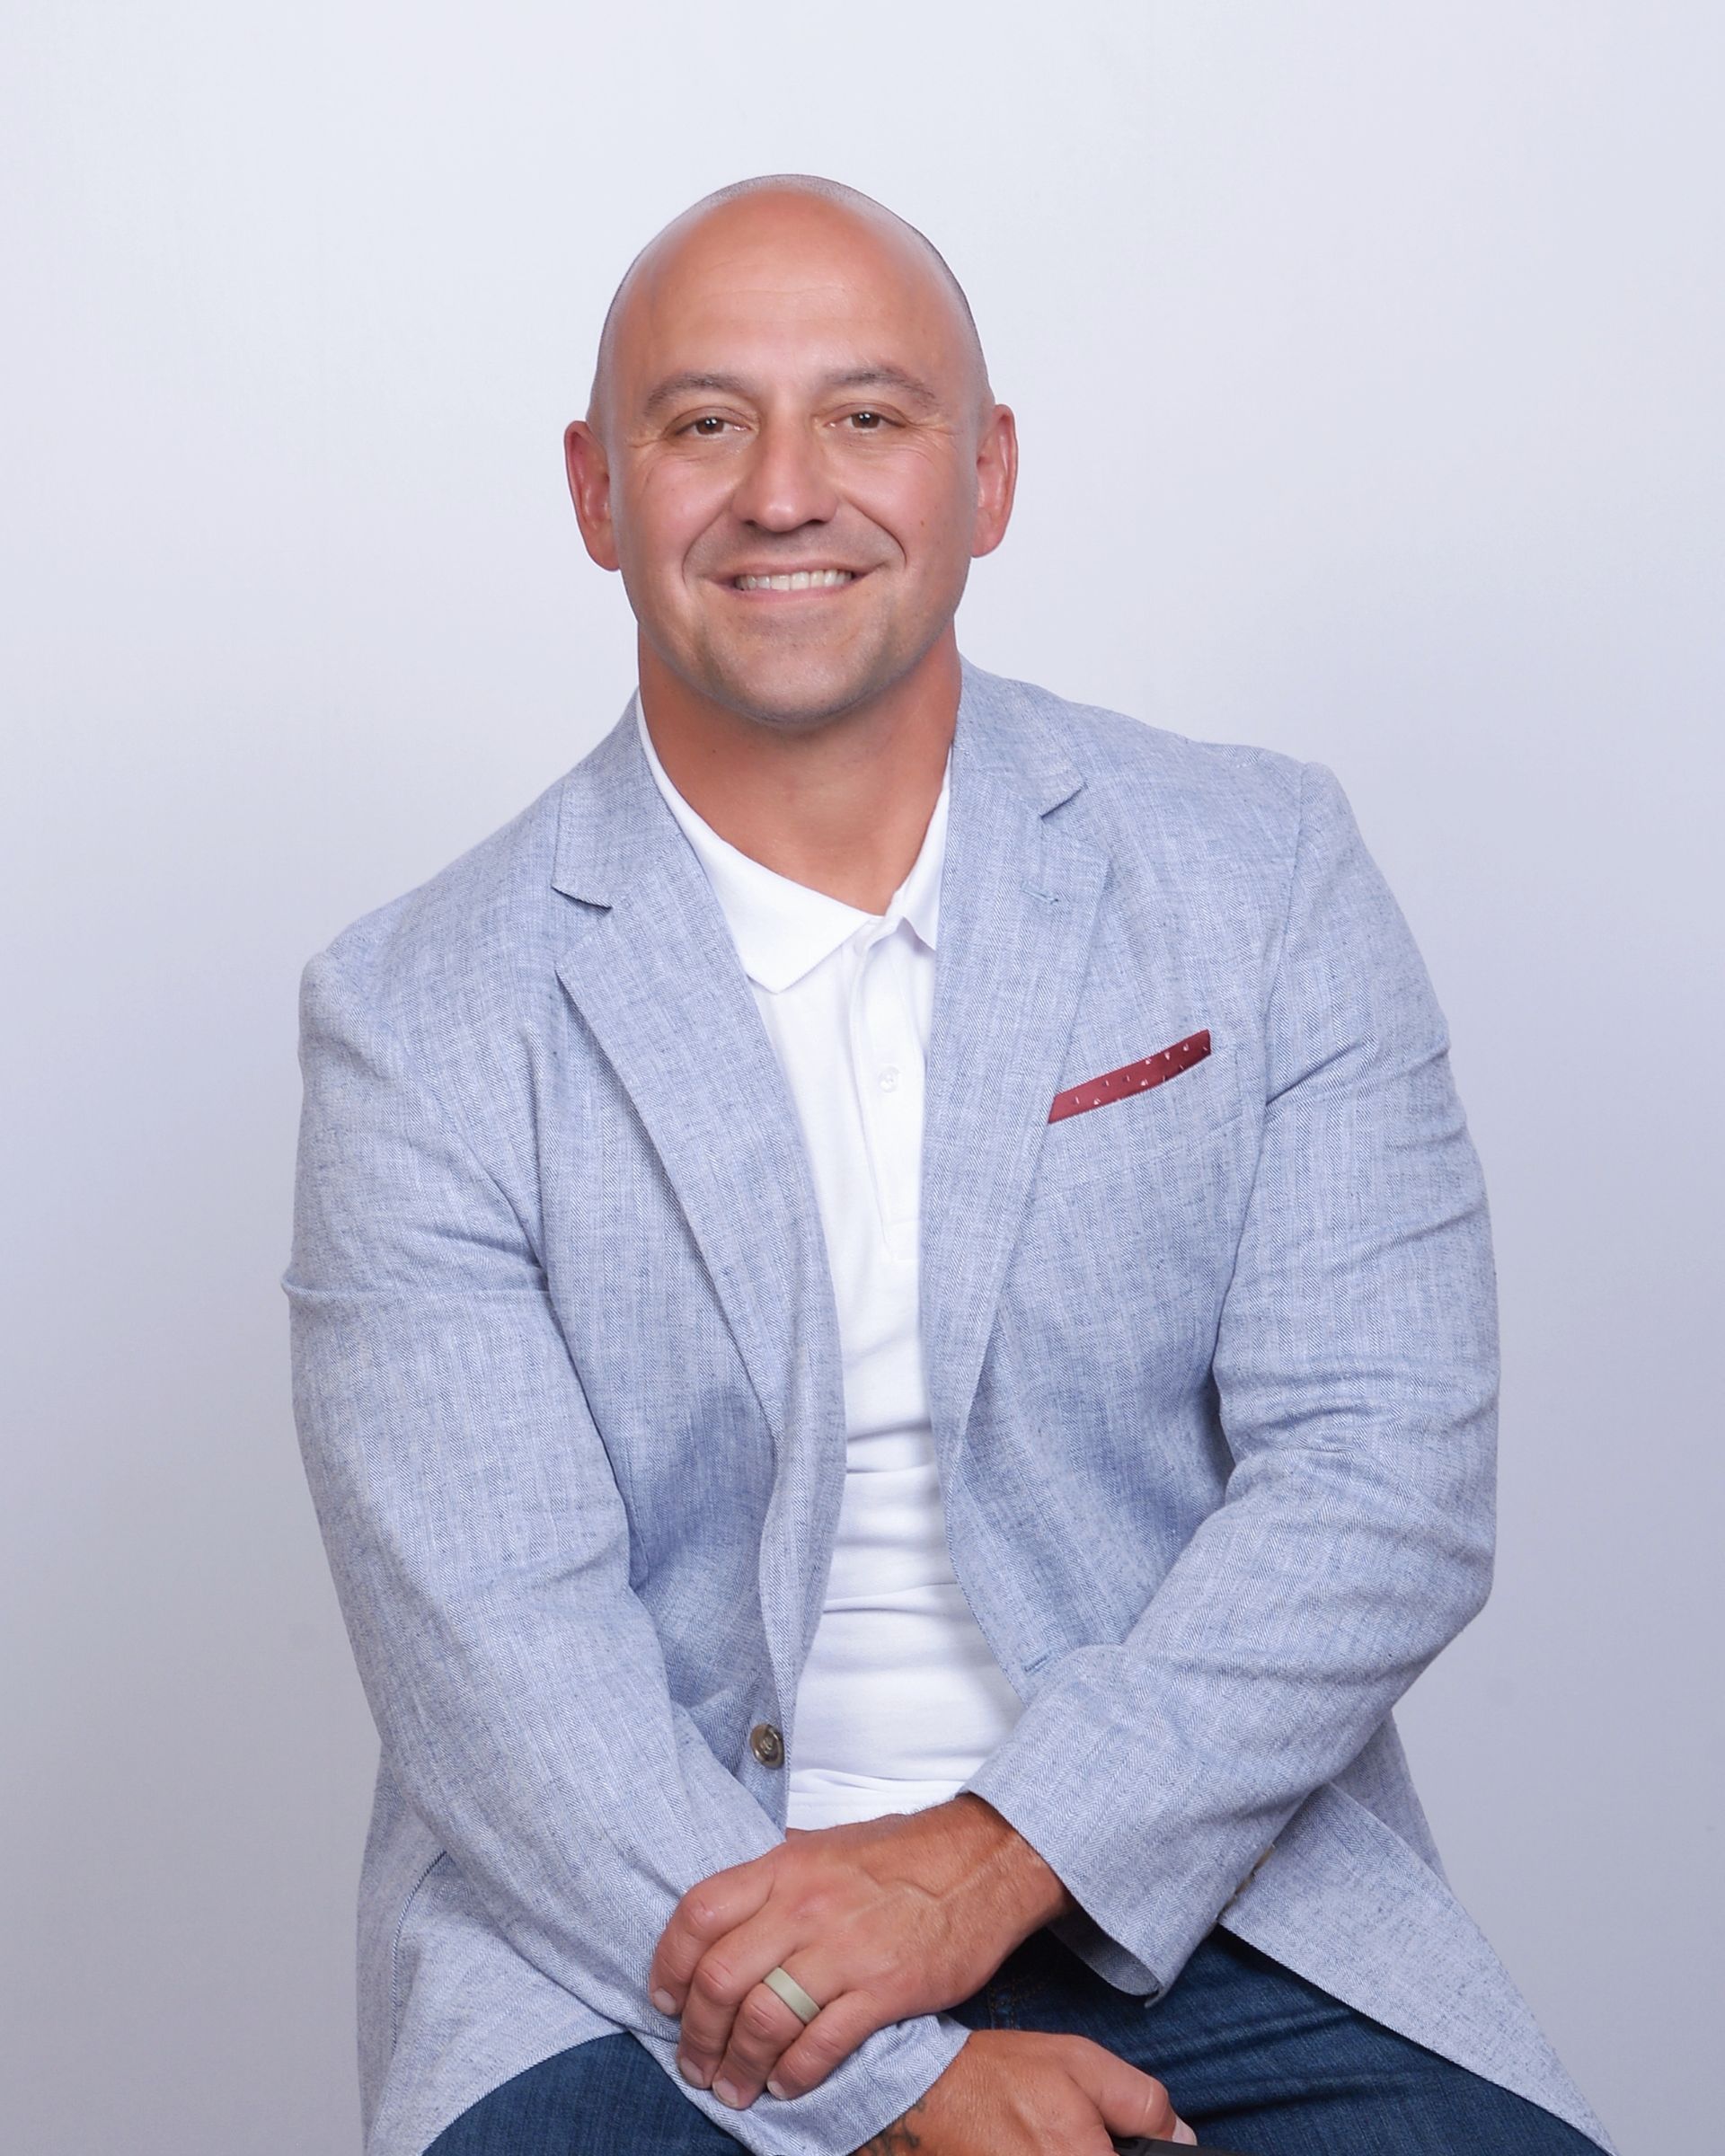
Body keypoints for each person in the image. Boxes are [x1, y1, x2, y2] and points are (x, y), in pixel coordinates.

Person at [285, 174, 1617, 2156]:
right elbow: (497, 1667)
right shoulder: (422, 1008)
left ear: (986, 475)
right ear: (595, 491)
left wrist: (992, 1860)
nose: (785, 491)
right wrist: (900, 2074)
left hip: (1189, 1888)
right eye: (705, 420)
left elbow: (1386, 1473)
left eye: (871, 416)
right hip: (637, 1934)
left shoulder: (1256, 874)